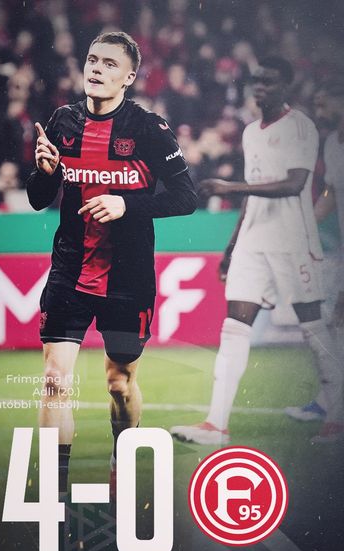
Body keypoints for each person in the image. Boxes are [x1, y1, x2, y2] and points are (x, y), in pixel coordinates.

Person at [26, 32, 197, 498]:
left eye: (109, 63)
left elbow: (186, 197)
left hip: (127, 277)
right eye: (92, 59)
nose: (97, 69)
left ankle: (121, 459)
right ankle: (55, 497)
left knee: (119, 383)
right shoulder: (62, 121)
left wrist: (126, 204)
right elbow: (40, 199)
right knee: (54, 380)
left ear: (129, 77)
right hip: (69, 270)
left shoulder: (149, 128)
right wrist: (43, 173)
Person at [170, 57, 344, 446]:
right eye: (257, 82)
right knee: (233, 327)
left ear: (286, 86)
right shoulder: (251, 132)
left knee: (313, 327)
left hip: (292, 240)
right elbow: (253, 193)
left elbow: (294, 184)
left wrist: (229, 188)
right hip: (253, 241)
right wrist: (231, 247)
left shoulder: (300, 126)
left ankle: (337, 418)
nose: (260, 88)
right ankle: (216, 425)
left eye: (269, 82)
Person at [285, 81, 344, 430]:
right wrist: (304, 224)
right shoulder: (333, 143)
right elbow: (331, 194)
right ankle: (328, 404)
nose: (319, 111)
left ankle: (333, 413)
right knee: (334, 322)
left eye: (324, 103)